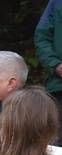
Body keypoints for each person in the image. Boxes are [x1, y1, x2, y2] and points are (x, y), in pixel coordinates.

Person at [36, 0, 62, 144]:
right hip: (58, 88)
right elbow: (42, 38)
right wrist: (56, 65)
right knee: (56, 144)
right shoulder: (56, 3)